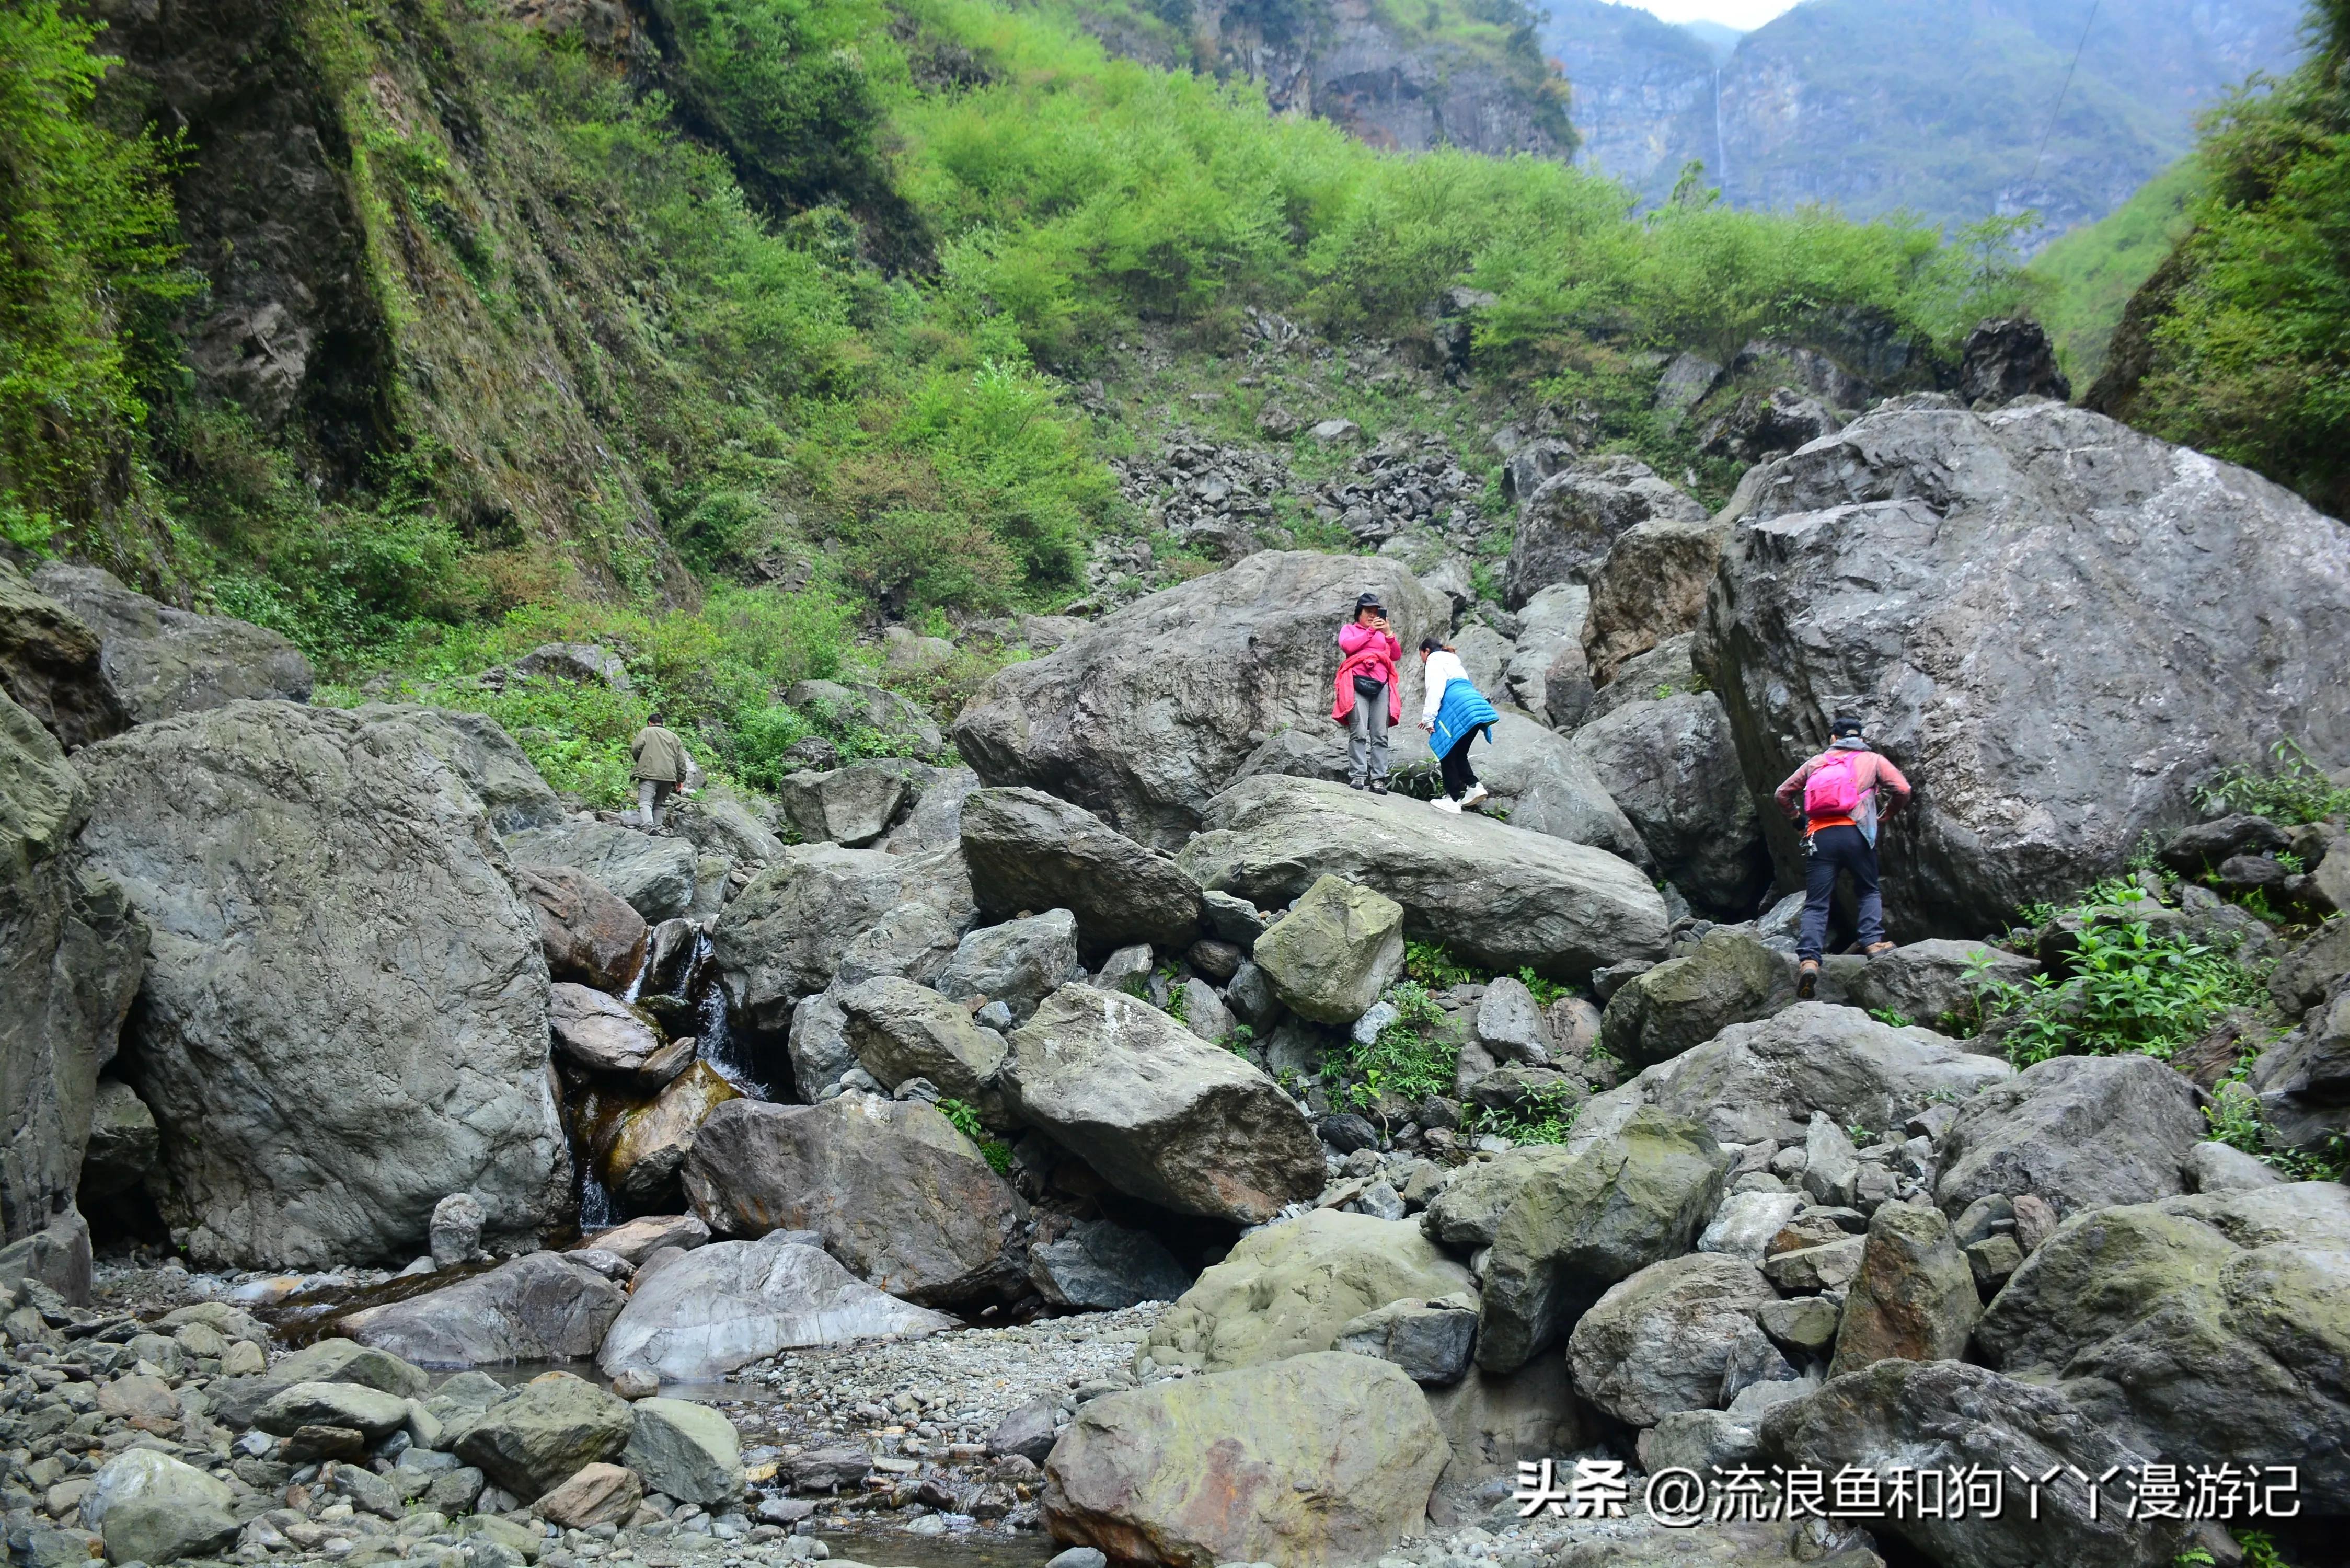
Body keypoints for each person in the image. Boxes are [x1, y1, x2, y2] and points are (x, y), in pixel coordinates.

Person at [1776, 713, 1913, 997]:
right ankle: (1873, 944)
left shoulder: (1817, 762)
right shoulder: (1873, 760)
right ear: (1860, 738)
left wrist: (1798, 821)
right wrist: (1887, 814)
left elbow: (1782, 794)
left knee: (1816, 904)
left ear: (1833, 739)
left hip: (1821, 838)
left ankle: (1810, 962)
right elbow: (1903, 789)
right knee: (1868, 891)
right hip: (1857, 835)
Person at [1419, 635, 1499, 813]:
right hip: (1475, 707)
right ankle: (1474, 786)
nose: (1423, 660)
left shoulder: (1434, 660)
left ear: (1426, 651)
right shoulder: (1454, 662)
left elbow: (1436, 689)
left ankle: (1453, 799)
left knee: (1446, 750)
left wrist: (1429, 718)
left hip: (1460, 706)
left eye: (1422, 656)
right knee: (1459, 752)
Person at [1332, 592, 1403, 792]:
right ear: (1359, 613)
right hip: (1356, 683)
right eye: (1368, 612)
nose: (1372, 615)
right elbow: (1348, 646)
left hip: (1381, 684)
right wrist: (1371, 631)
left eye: (1376, 612)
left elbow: (1396, 655)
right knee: (1359, 730)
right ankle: (1358, 776)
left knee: (1381, 733)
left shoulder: (1382, 633)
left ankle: (1379, 779)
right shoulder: (1350, 630)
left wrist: (1389, 634)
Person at [629, 710, 690, 829]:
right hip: (669, 776)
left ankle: (648, 827)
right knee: (660, 804)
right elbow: (681, 760)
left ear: (649, 723)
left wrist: (641, 760)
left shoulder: (647, 731)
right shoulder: (674, 737)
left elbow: (637, 748)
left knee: (645, 801)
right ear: (662, 723)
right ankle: (657, 828)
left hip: (648, 773)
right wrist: (680, 779)